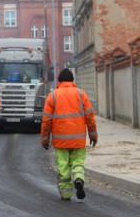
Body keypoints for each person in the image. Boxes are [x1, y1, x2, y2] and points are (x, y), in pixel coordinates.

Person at [40, 68, 97, 201]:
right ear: (72, 80)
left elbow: (46, 121)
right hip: (78, 139)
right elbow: (90, 117)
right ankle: (78, 178)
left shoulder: (53, 96)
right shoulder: (81, 94)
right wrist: (93, 136)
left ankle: (66, 194)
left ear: (59, 81)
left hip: (60, 141)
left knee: (63, 165)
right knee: (78, 162)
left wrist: (44, 139)